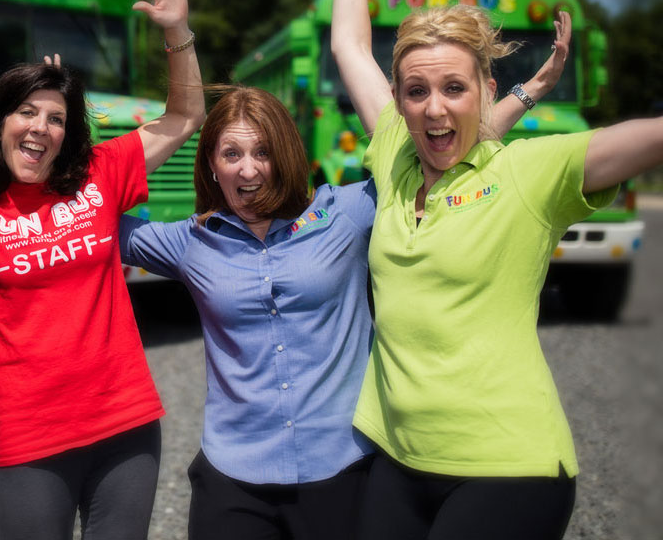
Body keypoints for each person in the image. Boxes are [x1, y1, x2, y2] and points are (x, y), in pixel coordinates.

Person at [332, 0, 663, 540]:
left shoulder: (531, 172)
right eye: (416, 91)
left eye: (454, 87)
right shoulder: (393, 150)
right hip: (397, 458)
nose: (433, 107)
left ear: (486, 91)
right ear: (398, 99)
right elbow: (348, 44)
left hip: (508, 465)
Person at [116, 46, 563, 540]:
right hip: (233, 477)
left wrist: (526, 93)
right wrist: (56, 131)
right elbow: (90, 219)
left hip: (342, 470)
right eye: (231, 154)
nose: (248, 170)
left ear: (285, 153)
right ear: (212, 164)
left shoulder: (348, 213)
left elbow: (440, 154)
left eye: (262, 151)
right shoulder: (189, 241)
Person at [0, 0, 205, 540]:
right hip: (30, 431)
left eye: (56, 118)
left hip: (126, 421)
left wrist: (176, 31)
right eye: (25, 112)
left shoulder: (100, 172)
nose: (40, 127)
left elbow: (186, 115)